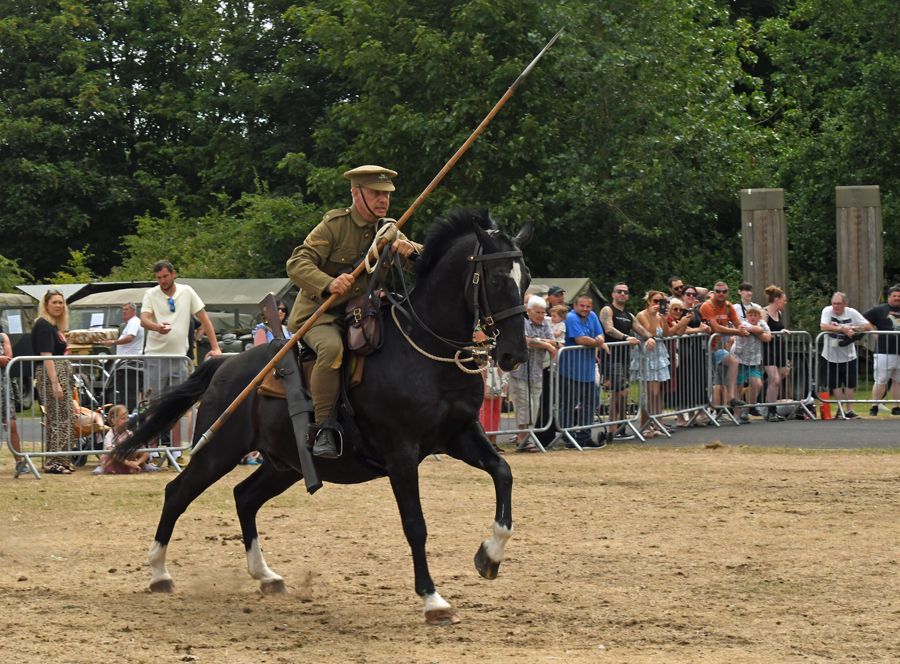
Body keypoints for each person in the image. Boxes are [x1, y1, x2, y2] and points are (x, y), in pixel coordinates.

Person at [286, 165, 421, 458]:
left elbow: (421, 258)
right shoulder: (334, 225)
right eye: (375, 193)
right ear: (356, 193)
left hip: (362, 313)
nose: (383, 200)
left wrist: (411, 252)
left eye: (386, 194)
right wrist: (329, 282)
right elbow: (297, 264)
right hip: (322, 314)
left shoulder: (388, 229)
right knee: (332, 349)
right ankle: (324, 428)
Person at [141, 260, 222, 449]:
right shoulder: (150, 294)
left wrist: (215, 347)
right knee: (153, 404)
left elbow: (205, 319)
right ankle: (151, 451)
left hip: (179, 358)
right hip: (155, 356)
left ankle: (176, 451)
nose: (162, 281)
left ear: (174, 274)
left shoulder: (187, 291)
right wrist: (156, 327)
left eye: (165, 276)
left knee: (179, 404)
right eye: (159, 278)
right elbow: (144, 319)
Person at [598, 283, 651, 441]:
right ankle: (614, 427)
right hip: (610, 357)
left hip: (623, 358)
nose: (622, 294)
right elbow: (608, 329)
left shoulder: (628, 315)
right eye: (619, 291)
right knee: (620, 392)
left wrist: (651, 338)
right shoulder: (607, 310)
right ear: (613, 294)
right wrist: (626, 338)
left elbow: (640, 329)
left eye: (625, 292)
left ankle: (619, 426)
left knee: (621, 393)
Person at [31, 289, 76, 474]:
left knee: (64, 416)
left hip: (60, 371)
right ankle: (54, 460)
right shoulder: (43, 325)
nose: (58, 306)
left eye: (61, 302)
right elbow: (47, 356)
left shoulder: (53, 326)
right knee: (58, 418)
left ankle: (62, 459)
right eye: (55, 302)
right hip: (52, 373)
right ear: (46, 304)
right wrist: (55, 382)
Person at [558, 294, 608, 447]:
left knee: (589, 404)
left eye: (588, 306)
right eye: (582, 306)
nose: (585, 309)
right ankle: (568, 437)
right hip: (570, 369)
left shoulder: (592, 315)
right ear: (575, 305)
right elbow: (580, 339)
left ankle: (584, 437)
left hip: (587, 370)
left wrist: (598, 340)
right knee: (568, 404)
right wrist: (598, 343)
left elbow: (600, 333)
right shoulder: (571, 317)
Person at [507, 296, 557, 453]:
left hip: (536, 371)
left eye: (543, 312)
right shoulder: (522, 323)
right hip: (520, 371)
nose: (541, 315)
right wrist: (545, 344)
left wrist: (543, 342)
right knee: (523, 405)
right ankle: (522, 439)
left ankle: (527, 437)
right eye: (538, 312)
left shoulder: (546, 324)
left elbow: (554, 342)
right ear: (528, 311)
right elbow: (525, 340)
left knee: (534, 406)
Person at [699, 281, 750, 410]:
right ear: (714, 292)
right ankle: (705, 410)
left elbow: (737, 322)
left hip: (718, 348)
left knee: (732, 364)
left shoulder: (728, 306)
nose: (721, 294)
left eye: (724, 291)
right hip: (703, 348)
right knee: (704, 381)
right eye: (718, 291)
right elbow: (715, 328)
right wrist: (737, 332)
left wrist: (743, 329)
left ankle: (731, 399)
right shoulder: (707, 306)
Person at [629, 291, 673, 437]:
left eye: (661, 301)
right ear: (648, 301)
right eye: (655, 300)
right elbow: (649, 332)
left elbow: (666, 334)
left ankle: (657, 424)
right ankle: (645, 425)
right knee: (649, 392)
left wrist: (665, 319)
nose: (657, 304)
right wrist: (654, 316)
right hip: (646, 355)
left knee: (657, 393)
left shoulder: (660, 316)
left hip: (658, 354)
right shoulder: (642, 315)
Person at [819, 292, 869, 419]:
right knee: (834, 384)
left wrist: (854, 328)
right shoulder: (827, 311)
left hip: (848, 354)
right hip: (830, 354)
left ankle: (849, 410)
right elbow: (823, 326)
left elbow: (867, 326)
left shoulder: (851, 312)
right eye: (834, 303)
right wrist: (843, 329)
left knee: (849, 383)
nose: (836, 306)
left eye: (839, 304)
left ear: (845, 304)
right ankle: (840, 409)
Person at [863, 285, 900, 416]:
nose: (897, 298)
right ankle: (874, 406)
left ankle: (896, 407)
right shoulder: (879, 309)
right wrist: (874, 333)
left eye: (899, 296)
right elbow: (864, 319)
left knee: (898, 380)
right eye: (894, 296)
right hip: (884, 351)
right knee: (881, 380)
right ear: (889, 297)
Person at [730, 306, 772, 422]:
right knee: (738, 386)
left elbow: (768, 337)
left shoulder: (762, 323)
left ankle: (747, 409)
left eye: (755, 315)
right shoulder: (743, 323)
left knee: (757, 383)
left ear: (759, 316)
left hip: (754, 360)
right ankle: (737, 414)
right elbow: (753, 330)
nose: (753, 317)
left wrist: (758, 331)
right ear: (747, 316)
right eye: (750, 315)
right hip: (739, 358)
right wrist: (758, 331)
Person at [94, 404, 157, 474]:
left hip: (127, 456)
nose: (126, 420)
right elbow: (112, 452)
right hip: (116, 460)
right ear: (113, 420)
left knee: (144, 451)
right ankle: (102, 468)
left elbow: (138, 446)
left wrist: (136, 462)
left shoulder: (129, 433)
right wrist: (129, 463)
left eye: (127, 418)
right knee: (113, 455)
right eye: (123, 418)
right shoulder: (110, 435)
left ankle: (142, 465)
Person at [763, 285, 791, 420]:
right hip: (768, 349)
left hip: (779, 348)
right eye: (783, 300)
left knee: (778, 379)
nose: (785, 303)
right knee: (775, 379)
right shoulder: (764, 313)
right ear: (776, 299)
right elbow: (763, 332)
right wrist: (778, 333)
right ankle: (770, 410)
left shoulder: (779, 313)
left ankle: (771, 409)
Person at [1, 326, 24, 475]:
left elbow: (8, 358)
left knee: (11, 424)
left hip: (4, 387)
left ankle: (20, 462)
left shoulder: (2, 337)